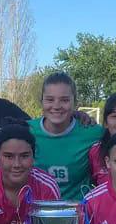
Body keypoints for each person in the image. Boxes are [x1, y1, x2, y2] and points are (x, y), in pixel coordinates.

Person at [27, 72, 104, 201]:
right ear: (41, 101)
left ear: (75, 102)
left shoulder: (93, 133)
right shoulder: (26, 131)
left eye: (64, 100)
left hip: (78, 210)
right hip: (36, 210)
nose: (56, 106)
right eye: (50, 100)